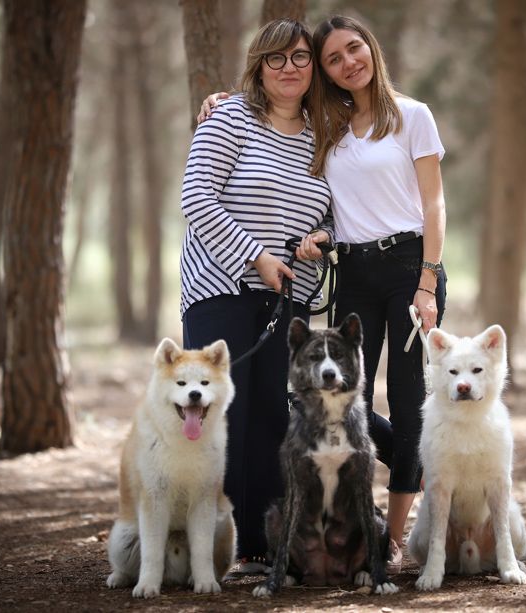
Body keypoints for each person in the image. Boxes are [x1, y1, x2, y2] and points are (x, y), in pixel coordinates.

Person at [198, 15, 447, 574]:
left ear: (371, 48)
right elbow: (332, 206)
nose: (347, 63)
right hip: (351, 272)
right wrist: (223, 99)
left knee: (407, 399)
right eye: (333, 58)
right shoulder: (326, 125)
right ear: (325, 73)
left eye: (353, 49)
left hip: (409, 266)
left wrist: (428, 280)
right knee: (337, 399)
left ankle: (393, 539)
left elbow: (433, 204)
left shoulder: (412, 115)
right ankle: (353, 517)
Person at [179, 19, 332, 575]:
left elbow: (335, 214)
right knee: (226, 415)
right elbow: (196, 197)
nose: (289, 68)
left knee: (272, 413)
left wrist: (322, 239)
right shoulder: (230, 118)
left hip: (288, 297)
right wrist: (257, 257)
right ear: (259, 66)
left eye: (300, 57)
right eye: (277, 58)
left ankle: (261, 544)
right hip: (220, 286)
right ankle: (211, 544)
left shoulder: (325, 134)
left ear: (313, 67)